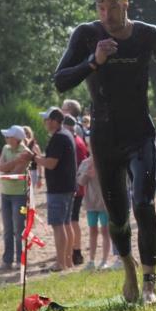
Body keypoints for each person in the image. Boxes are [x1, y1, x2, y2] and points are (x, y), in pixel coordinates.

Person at [54, 0, 156, 305]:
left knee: (143, 204)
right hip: (104, 136)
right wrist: (93, 62)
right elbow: (60, 81)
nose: (106, 14)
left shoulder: (147, 34)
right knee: (117, 216)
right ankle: (128, 267)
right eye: (100, 7)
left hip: (139, 131)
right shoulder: (86, 35)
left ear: (126, 3)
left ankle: (150, 283)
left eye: (112, 6)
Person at [32, 108, 77, 271]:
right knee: (65, 224)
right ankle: (68, 261)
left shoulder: (58, 138)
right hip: (67, 186)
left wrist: (34, 158)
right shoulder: (66, 135)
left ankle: (61, 263)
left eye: (46, 119)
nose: (45, 123)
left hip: (59, 188)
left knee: (59, 225)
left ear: (53, 121)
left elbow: (51, 163)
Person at [0, 125, 33, 271]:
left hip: (19, 194)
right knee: (7, 228)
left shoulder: (26, 152)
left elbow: (14, 174)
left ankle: (20, 259)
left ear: (17, 139)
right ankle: (7, 260)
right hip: (5, 192)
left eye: (9, 136)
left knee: (19, 228)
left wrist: (10, 166)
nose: (6, 138)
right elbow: (1, 168)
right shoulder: (6, 148)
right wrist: (14, 162)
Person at [77, 137, 111, 270]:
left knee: (105, 230)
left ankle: (104, 260)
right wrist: (87, 174)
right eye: (91, 146)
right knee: (92, 230)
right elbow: (80, 182)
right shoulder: (85, 163)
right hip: (91, 203)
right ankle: (91, 260)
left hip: (104, 203)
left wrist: (100, 172)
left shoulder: (106, 162)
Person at [64, 114, 89, 266]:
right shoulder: (77, 140)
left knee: (72, 221)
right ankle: (74, 251)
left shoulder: (74, 141)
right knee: (73, 221)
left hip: (75, 187)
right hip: (77, 186)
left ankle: (76, 252)